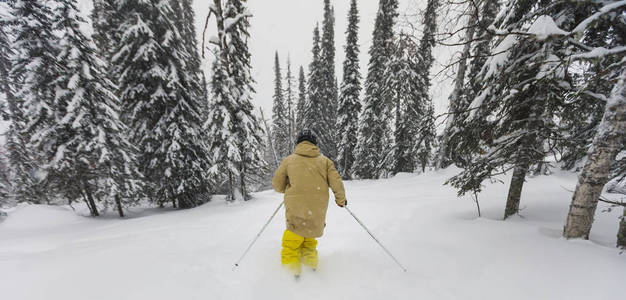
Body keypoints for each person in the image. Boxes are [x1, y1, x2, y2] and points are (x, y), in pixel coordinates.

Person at [272, 129, 347, 278]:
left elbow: (277, 185)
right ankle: (311, 271)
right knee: (309, 241)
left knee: (291, 243)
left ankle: (291, 276)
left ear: (298, 143)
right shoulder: (325, 161)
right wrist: (341, 200)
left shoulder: (289, 160)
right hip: (317, 210)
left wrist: (289, 184)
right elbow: (336, 182)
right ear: (314, 144)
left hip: (296, 209)